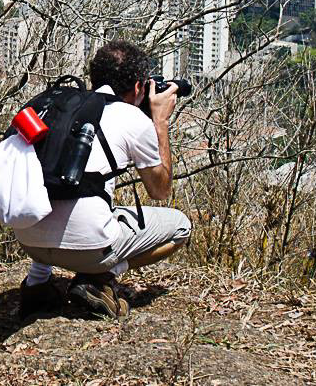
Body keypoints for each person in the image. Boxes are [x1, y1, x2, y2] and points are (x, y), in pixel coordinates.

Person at [14, 40, 190, 320]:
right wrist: (160, 122)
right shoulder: (132, 118)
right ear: (138, 87)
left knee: (57, 186)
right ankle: (97, 278)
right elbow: (160, 190)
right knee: (181, 227)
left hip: (26, 239)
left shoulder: (61, 108)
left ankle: (36, 283)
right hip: (89, 250)